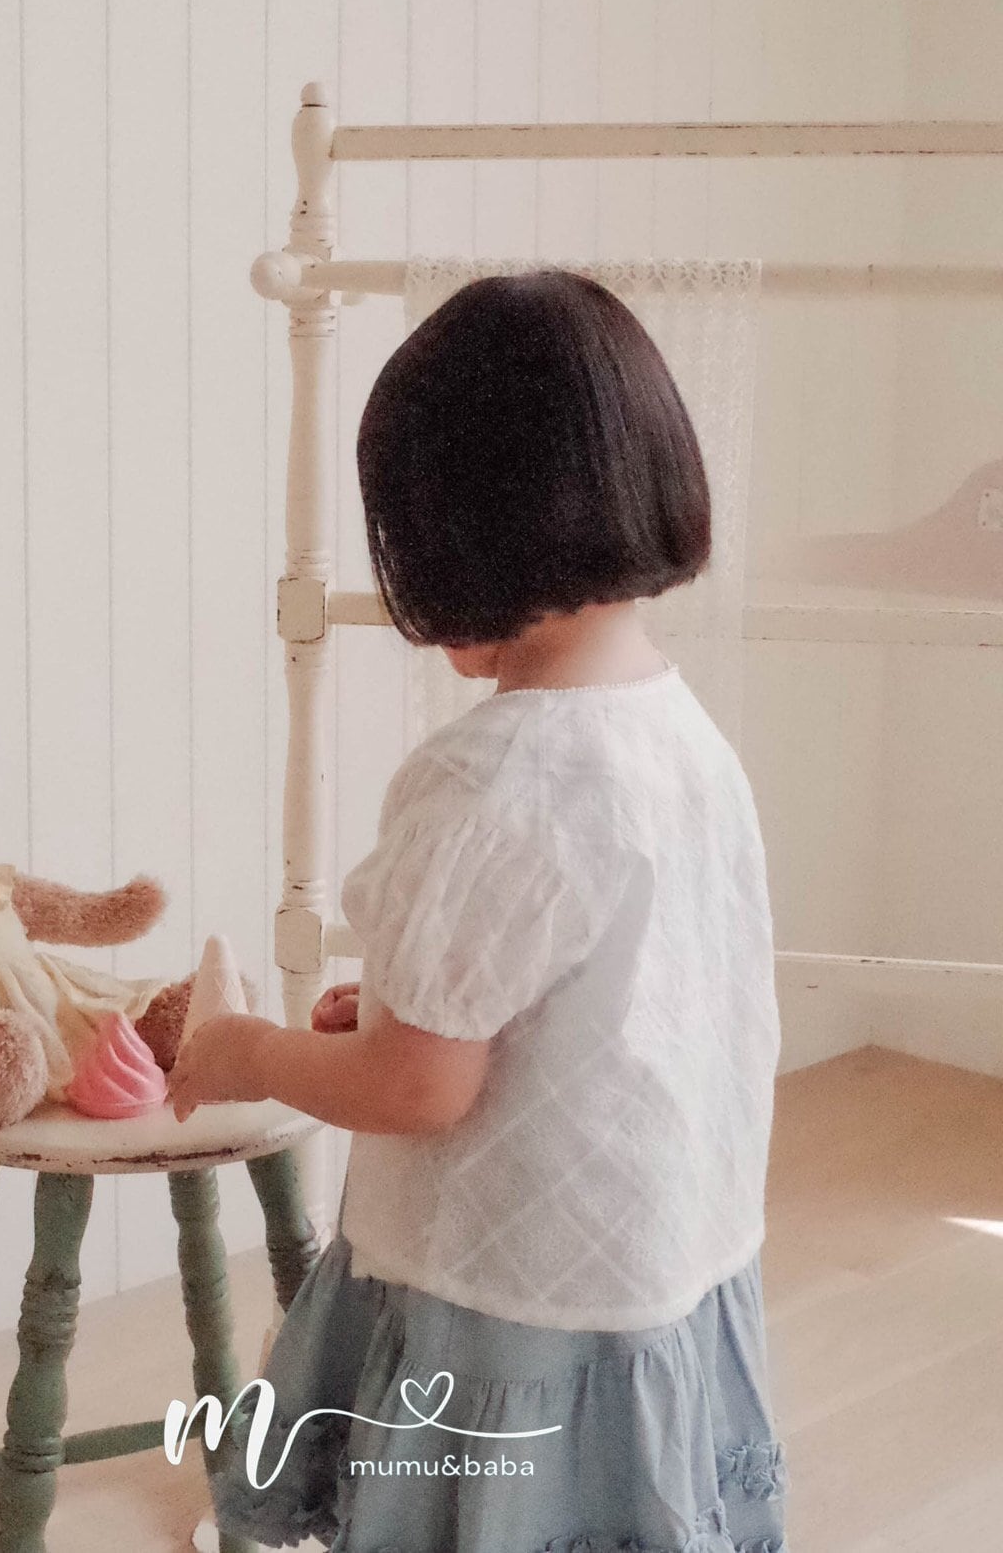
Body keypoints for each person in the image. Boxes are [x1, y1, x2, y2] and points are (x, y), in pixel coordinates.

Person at [167, 270, 789, 1553]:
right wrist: (412, 1008)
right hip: (658, 1263)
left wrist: (247, 1053)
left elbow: (415, 1089)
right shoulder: (682, 739)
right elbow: (611, 994)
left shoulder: (493, 774)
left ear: (468, 532)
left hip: (511, 1295)